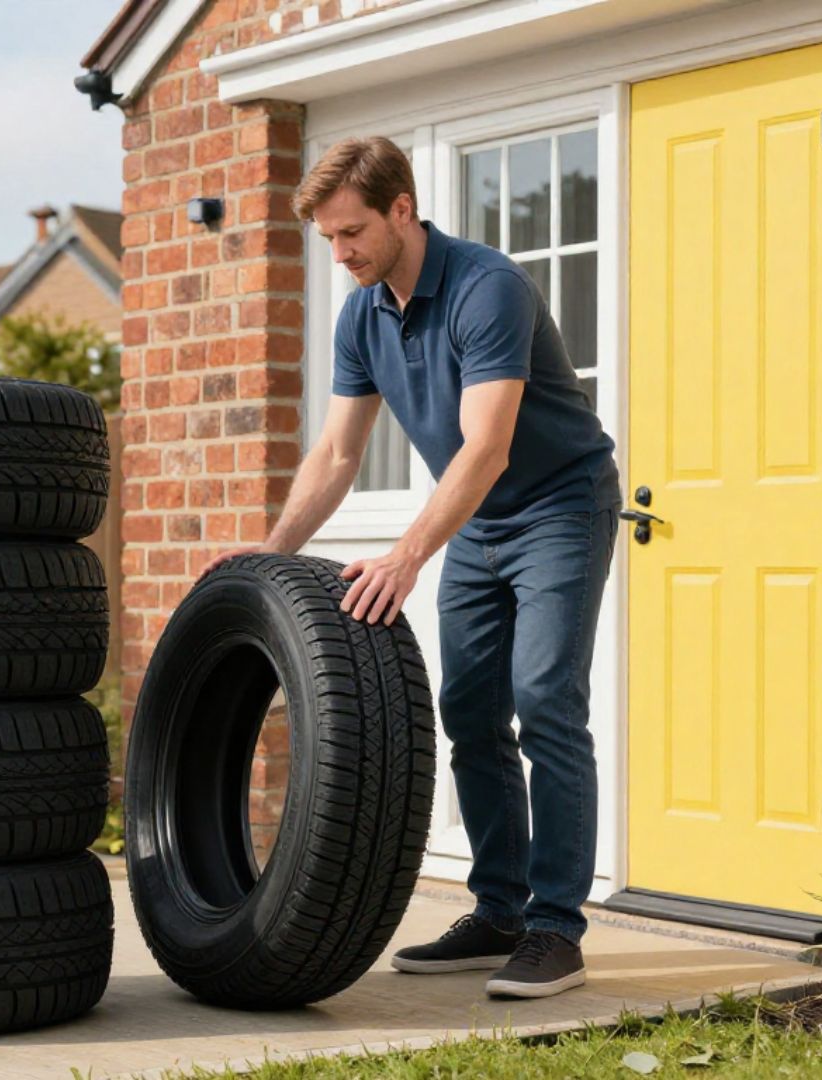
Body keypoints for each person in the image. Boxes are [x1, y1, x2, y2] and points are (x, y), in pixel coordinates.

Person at [200, 136, 620, 1000]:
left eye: (351, 232)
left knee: (544, 702)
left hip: (556, 505)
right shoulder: (362, 314)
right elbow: (336, 454)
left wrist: (407, 552)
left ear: (401, 209)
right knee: (469, 709)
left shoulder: (486, 287)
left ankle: (555, 931)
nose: (341, 253)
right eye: (327, 241)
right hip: (477, 521)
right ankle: (499, 911)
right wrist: (271, 551)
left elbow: (487, 446)